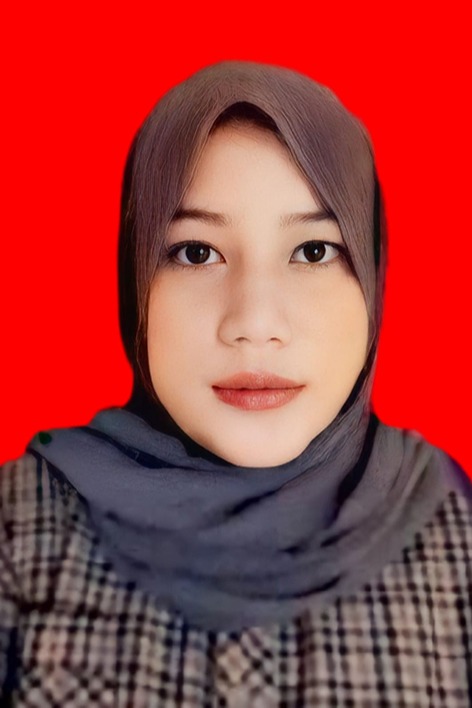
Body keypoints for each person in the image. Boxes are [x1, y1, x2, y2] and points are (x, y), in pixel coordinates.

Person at [1, 60, 471, 706]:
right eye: (196, 252)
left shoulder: (451, 529)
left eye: (313, 251)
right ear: (136, 278)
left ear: (371, 274)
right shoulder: (21, 524)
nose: (254, 323)